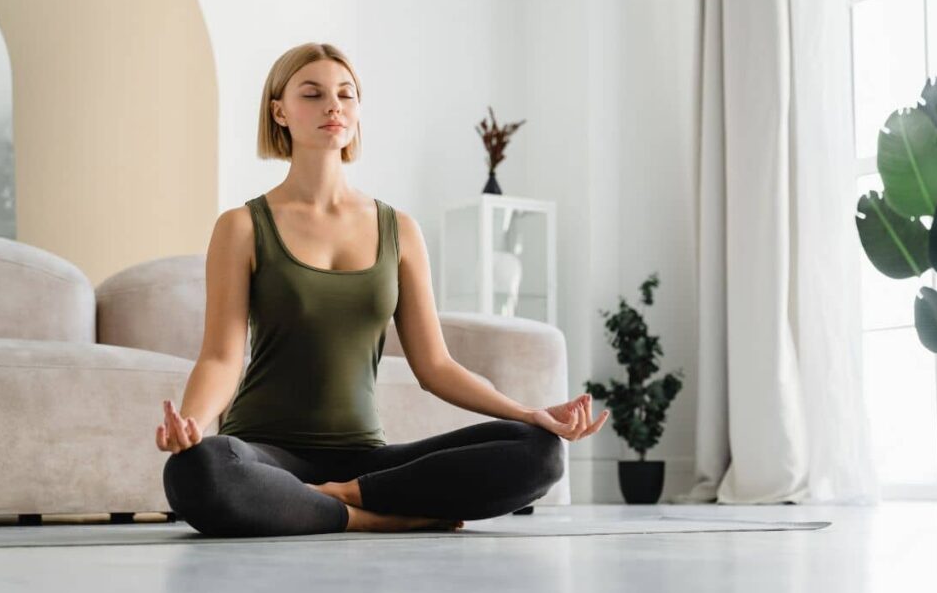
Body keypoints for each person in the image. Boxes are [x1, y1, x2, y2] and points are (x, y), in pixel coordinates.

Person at [157, 42, 609, 538]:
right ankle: (371, 518)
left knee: (540, 452)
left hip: (366, 461)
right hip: (264, 454)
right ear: (279, 112)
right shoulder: (242, 226)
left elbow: (436, 367)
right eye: (313, 94)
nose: (334, 106)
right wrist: (194, 426)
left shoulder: (400, 229)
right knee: (195, 471)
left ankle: (344, 498)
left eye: (346, 95)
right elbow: (221, 357)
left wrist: (531, 413)